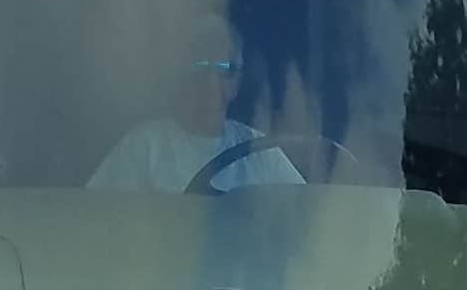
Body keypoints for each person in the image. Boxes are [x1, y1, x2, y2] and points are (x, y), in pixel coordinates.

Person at [85, 14, 305, 192]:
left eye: (226, 69)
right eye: (201, 67)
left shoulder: (260, 152)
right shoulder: (143, 149)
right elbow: (96, 216)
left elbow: (304, 213)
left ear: (239, 80)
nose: (212, 83)